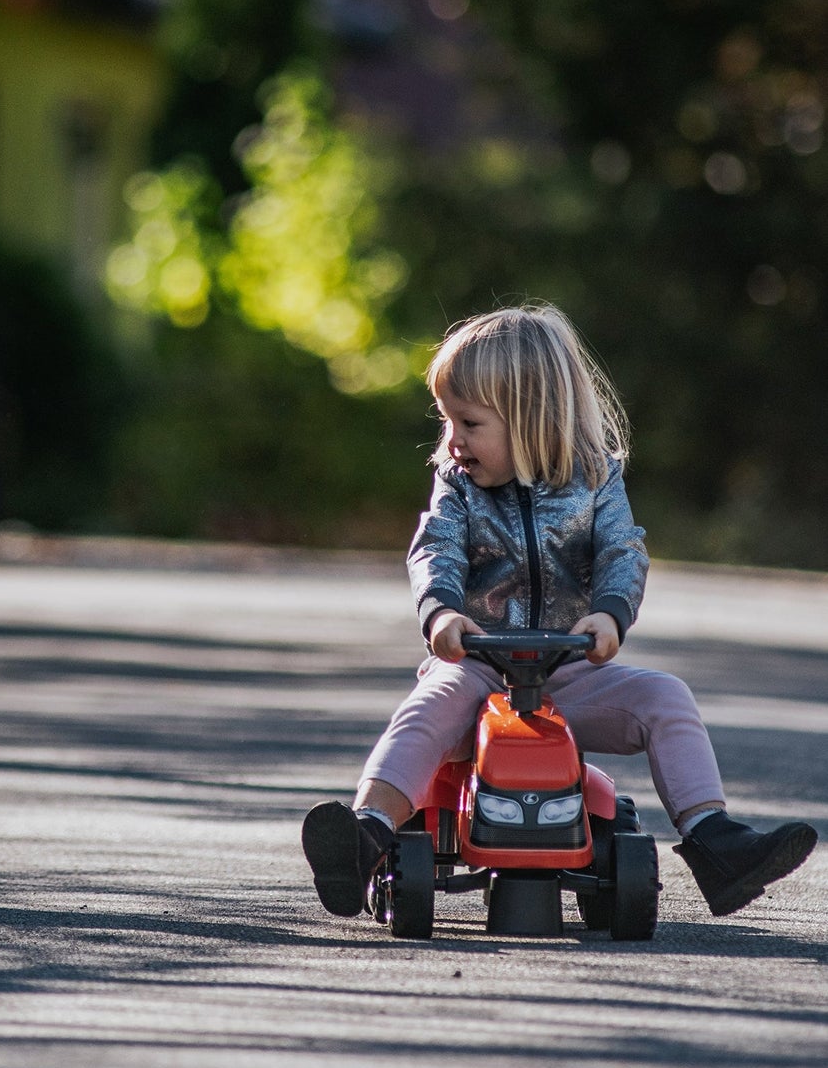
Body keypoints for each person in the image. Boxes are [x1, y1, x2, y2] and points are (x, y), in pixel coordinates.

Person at [303, 302, 817, 920]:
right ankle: (366, 836)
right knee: (429, 708)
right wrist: (441, 614)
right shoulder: (457, 483)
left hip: (568, 672)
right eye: (447, 421)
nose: (452, 440)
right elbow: (434, 546)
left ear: (529, 419)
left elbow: (622, 550)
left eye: (468, 422)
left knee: (667, 698)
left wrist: (609, 614)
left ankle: (715, 840)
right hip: (481, 669)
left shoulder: (597, 478)